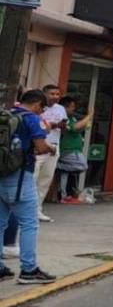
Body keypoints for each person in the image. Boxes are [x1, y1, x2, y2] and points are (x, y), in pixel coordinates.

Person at [0, 89, 56, 284]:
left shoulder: (7, 115)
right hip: (21, 177)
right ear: (37, 104)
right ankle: (29, 270)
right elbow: (40, 147)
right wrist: (51, 148)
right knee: (29, 224)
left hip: (2, 174)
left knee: (0, 223)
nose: (41, 113)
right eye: (42, 108)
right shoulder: (31, 119)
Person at [54, 96, 92, 203]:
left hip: (75, 148)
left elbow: (83, 127)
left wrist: (87, 120)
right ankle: (57, 166)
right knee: (82, 165)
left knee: (65, 172)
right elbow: (74, 127)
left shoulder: (73, 118)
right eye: (71, 107)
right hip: (68, 149)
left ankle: (63, 195)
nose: (73, 109)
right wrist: (89, 116)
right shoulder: (63, 119)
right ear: (64, 108)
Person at [36, 84, 65, 215]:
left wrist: (63, 126)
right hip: (39, 146)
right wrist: (53, 125)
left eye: (57, 94)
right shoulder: (38, 107)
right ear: (44, 94)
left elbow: (64, 128)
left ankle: (38, 210)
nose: (55, 97)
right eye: (52, 94)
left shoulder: (61, 109)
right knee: (32, 179)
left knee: (45, 180)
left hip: (54, 146)